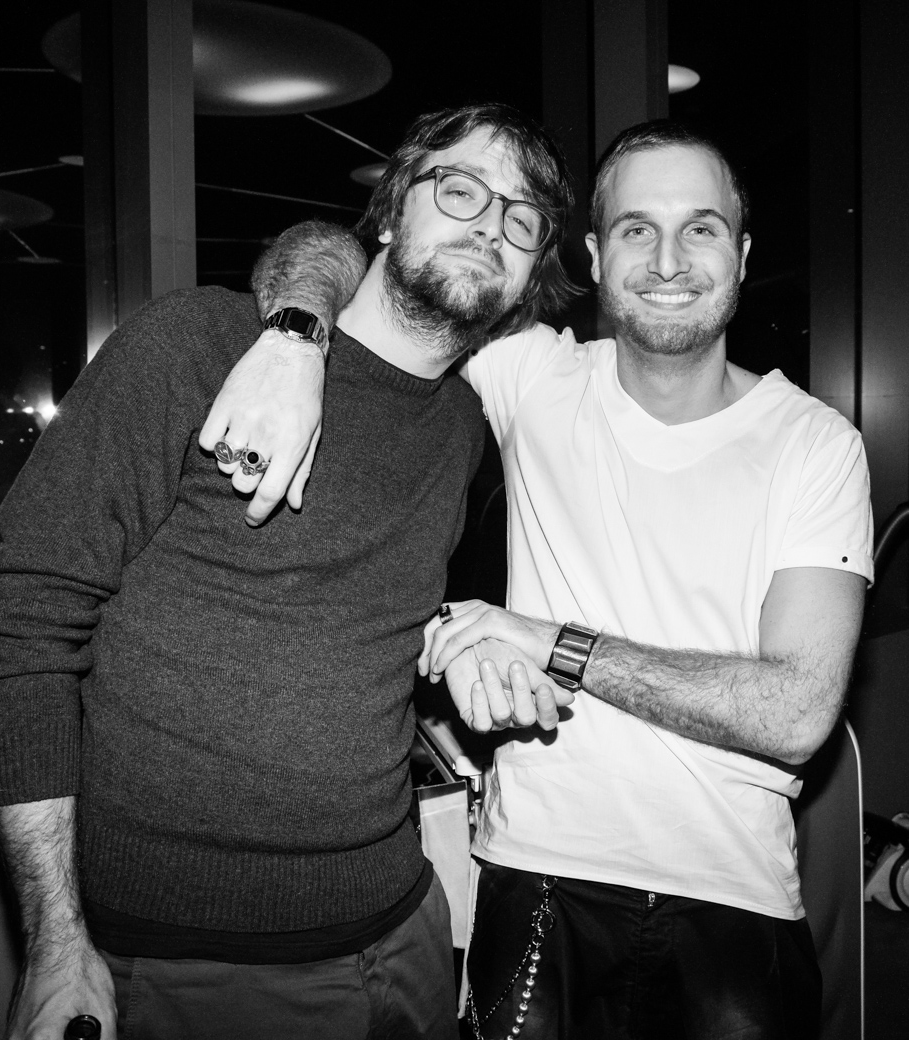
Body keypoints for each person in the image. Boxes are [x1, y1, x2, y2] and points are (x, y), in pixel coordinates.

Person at [200, 120, 873, 1040]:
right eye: (635, 228)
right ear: (594, 256)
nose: (667, 260)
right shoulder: (531, 372)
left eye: (700, 228)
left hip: (735, 897)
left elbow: (794, 715)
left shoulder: (814, 444)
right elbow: (341, 256)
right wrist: (294, 336)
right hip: (538, 874)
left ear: (743, 255)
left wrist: (550, 643)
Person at [0, 102, 578, 1040]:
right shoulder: (198, 345)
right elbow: (25, 620)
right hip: (197, 959)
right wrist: (55, 938)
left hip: (406, 924)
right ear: (390, 210)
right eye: (461, 189)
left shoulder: (462, 428)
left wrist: (453, 647)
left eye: (522, 217)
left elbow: (354, 613)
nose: (490, 224)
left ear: (534, 270)